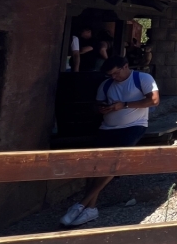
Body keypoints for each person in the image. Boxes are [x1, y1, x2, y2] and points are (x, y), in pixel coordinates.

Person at [60, 56, 160, 227]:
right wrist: (102, 109)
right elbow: (96, 105)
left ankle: (81, 204)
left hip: (133, 126)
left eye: (116, 73)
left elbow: (154, 100)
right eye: (110, 75)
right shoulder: (106, 85)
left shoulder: (143, 78)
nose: (114, 77)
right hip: (107, 128)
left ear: (125, 66)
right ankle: (91, 208)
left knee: (114, 162)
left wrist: (125, 105)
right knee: (96, 166)